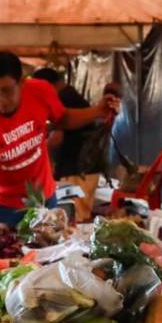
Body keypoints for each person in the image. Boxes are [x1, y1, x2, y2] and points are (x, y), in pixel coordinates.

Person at [0, 51, 116, 233]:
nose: (0, 99)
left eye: (6, 90)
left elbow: (63, 118)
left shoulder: (40, 91)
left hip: (44, 199)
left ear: (22, 82)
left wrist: (97, 112)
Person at [31, 67, 114, 222]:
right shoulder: (70, 95)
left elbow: (58, 137)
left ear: (45, 86)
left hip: (78, 169)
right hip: (84, 168)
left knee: (75, 218)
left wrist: (38, 152)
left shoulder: (63, 98)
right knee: (79, 216)